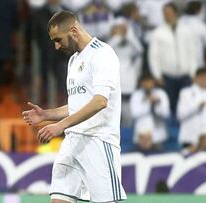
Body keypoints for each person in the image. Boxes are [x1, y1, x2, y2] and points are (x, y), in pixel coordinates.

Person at [22, 11, 126, 203]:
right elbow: (78, 105)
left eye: (58, 39)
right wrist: (46, 114)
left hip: (98, 142)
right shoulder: (73, 60)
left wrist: (61, 125)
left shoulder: (103, 54)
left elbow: (100, 101)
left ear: (74, 30)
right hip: (72, 142)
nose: (56, 46)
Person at [148, 2, 196, 114]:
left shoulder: (186, 31)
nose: (167, 16)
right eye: (165, 13)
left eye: (169, 13)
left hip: (185, 76)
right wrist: (157, 75)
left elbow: (192, 52)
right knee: (169, 106)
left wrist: (193, 72)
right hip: (167, 77)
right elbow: (153, 56)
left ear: (175, 13)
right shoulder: (158, 33)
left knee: (186, 106)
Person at [177, 68, 206, 149]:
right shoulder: (185, 93)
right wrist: (196, 107)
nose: (205, 80)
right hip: (189, 138)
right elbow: (180, 115)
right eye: (202, 77)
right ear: (195, 78)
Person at [130, 73, 170, 148]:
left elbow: (166, 114)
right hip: (141, 136)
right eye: (145, 82)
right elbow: (134, 113)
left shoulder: (161, 94)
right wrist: (148, 103)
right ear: (141, 83)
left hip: (158, 136)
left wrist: (157, 105)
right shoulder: (136, 95)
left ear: (153, 82)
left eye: (149, 81)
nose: (147, 84)